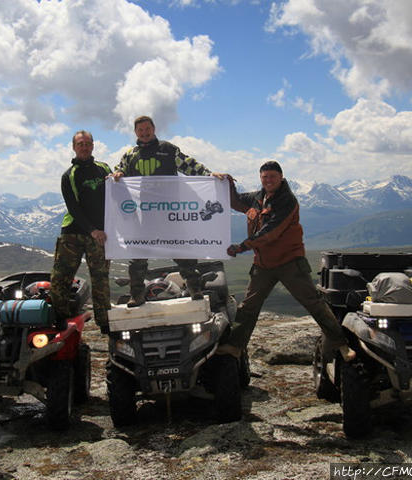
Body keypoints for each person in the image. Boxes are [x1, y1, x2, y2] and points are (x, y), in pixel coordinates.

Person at [218, 161, 356, 362]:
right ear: (260, 178)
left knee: (314, 303)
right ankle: (235, 346)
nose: (268, 180)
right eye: (265, 177)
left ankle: (342, 345)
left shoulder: (287, 201)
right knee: (248, 306)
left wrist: (242, 247)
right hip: (263, 264)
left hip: (289, 262)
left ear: (281, 177)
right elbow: (236, 201)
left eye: (272, 176)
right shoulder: (257, 198)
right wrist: (227, 184)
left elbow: (270, 232)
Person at [111, 115, 227, 308]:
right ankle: (137, 295)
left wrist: (209, 175)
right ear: (135, 132)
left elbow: (189, 165)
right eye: (140, 130)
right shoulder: (130, 155)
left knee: (182, 249)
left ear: (154, 129)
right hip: (145, 215)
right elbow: (118, 171)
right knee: (138, 256)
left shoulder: (168, 149)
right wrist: (118, 175)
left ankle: (195, 289)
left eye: (147, 129)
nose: (145, 132)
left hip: (170, 213)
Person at [50, 130, 112, 333]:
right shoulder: (68, 176)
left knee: (101, 279)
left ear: (93, 145)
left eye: (87, 143)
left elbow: (116, 192)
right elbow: (73, 208)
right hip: (73, 232)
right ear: (74, 147)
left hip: (100, 233)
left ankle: (104, 323)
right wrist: (92, 230)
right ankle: (61, 320)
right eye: (80, 144)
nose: (84, 147)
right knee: (61, 278)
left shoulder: (104, 169)